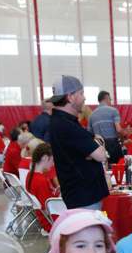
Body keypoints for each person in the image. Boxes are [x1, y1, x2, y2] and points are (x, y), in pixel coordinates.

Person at [49, 75, 110, 209]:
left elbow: (90, 151)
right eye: (81, 93)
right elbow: (101, 155)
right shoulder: (66, 125)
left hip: (80, 196)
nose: (84, 98)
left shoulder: (61, 122)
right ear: (70, 97)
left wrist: (91, 151)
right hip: (85, 198)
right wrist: (96, 144)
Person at [26, 142, 58, 231]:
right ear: (45, 158)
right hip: (51, 221)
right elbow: (48, 209)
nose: (53, 164)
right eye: (52, 160)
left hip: (45, 219)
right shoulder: (40, 181)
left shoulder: (30, 175)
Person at [88, 91, 124, 164]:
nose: (110, 101)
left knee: (104, 169)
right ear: (106, 98)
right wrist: (123, 139)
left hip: (98, 146)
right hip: (113, 144)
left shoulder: (91, 115)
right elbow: (119, 129)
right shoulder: (113, 111)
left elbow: (89, 134)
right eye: (110, 99)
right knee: (117, 167)